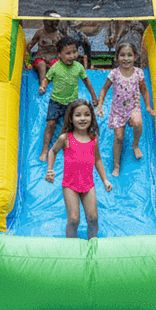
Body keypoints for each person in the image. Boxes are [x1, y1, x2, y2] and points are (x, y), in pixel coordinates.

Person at [45, 100, 112, 238]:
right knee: (74, 219)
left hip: (88, 184)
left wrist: (105, 180)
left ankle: (92, 245)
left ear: (91, 117)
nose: (83, 118)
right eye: (78, 115)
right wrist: (50, 170)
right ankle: (72, 247)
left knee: (93, 219)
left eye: (87, 115)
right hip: (70, 185)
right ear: (71, 118)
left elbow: (97, 160)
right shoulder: (65, 138)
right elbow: (52, 151)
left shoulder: (93, 139)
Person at [95, 41, 155, 177]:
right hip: (118, 111)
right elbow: (104, 89)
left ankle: (135, 145)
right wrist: (100, 105)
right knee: (118, 138)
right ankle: (116, 165)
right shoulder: (114, 74)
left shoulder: (139, 73)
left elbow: (144, 90)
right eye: (122, 55)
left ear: (135, 57)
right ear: (117, 58)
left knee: (138, 123)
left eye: (129, 55)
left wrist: (148, 107)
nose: (126, 58)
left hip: (133, 108)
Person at [39, 36, 99, 162]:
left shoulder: (78, 67)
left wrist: (94, 96)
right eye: (68, 53)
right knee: (51, 124)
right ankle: (45, 151)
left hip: (71, 103)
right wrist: (43, 86)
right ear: (60, 54)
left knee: (69, 127)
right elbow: (47, 79)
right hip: (56, 101)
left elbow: (87, 81)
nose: (72, 56)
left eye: (74, 52)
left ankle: (66, 148)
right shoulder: (55, 67)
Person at [27, 12, 63, 93]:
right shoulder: (40, 32)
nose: (50, 26)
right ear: (44, 22)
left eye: (54, 23)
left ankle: (51, 84)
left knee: (56, 65)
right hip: (41, 58)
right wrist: (27, 60)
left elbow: (63, 49)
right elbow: (30, 45)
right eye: (48, 23)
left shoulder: (59, 35)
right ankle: (42, 84)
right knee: (41, 65)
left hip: (54, 58)